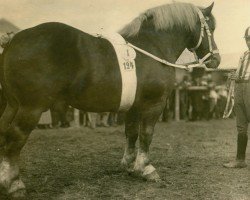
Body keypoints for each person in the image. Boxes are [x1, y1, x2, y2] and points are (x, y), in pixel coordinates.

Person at [223, 27, 250, 168]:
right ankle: (240, 160)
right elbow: (239, 72)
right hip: (240, 88)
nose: (249, 42)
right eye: (248, 39)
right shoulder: (244, 55)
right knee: (241, 126)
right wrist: (233, 77)